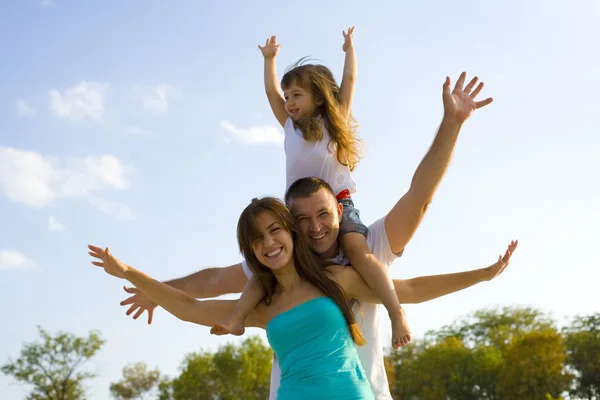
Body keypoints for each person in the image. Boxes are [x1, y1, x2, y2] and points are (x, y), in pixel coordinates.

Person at [117, 70, 495, 400]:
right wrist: (155, 291)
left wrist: (452, 124)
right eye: (302, 220)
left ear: (341, 211)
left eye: (324, 215)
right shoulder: (276, 275)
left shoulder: (368, 245)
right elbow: (213, 281)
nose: (315, 227)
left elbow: (420, 199)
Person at [88, 197, 517, 400]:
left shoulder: (337, 279)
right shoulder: (260, 307)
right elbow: (192, 308)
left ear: (290, 232)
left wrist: (482, 275)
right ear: (251, 251)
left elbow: (408, 291)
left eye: (275, 230)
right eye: (257, 239)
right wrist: (130, 274)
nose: (269, 243)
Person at [218, 28, 414, 349]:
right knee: (265, 269)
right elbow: (270, 95)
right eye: (288, 95)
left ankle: (396, 312)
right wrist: (269, 60)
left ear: (318, 98)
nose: (289, 102)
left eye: (297, 95)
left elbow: (349, 83)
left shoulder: (333, 123)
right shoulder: (289, 127)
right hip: (296, 214)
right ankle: (239, 317)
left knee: (360, 256)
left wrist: (349, 50)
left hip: (337, 205)